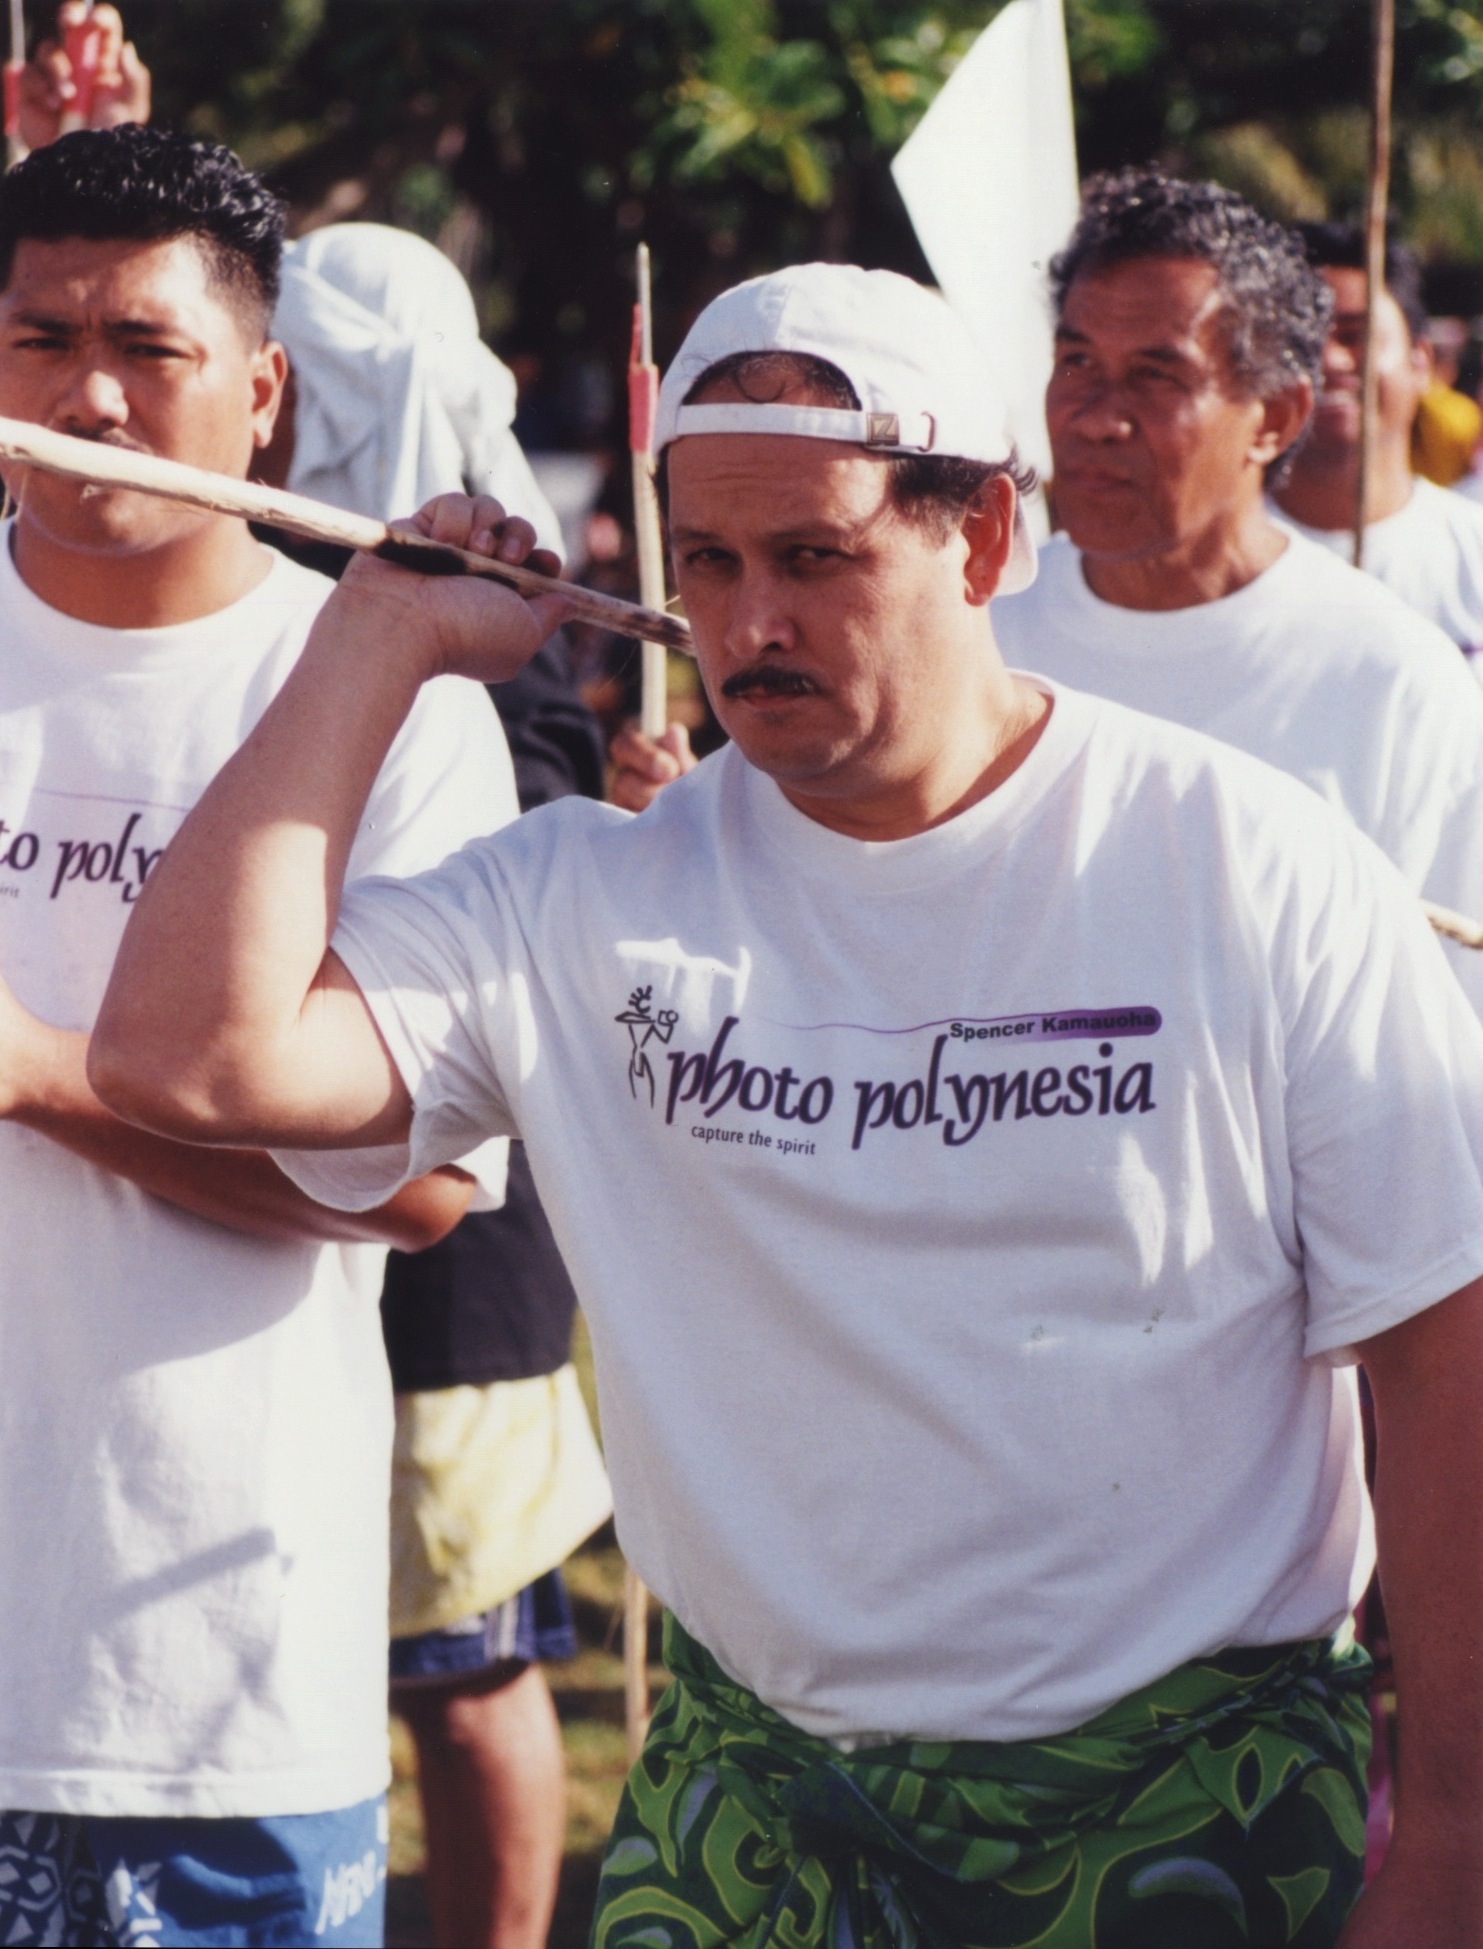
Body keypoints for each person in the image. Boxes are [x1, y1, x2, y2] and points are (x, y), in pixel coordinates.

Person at [92, 260, 1483, 1948]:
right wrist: (374, 636)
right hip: (753, 1812)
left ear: (980, 536)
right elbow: (185, 1053)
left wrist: (1453, 1831)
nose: (745, 627)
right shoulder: (580, 897)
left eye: (813, 559)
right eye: (708, 560)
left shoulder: (1244, 868)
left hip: (1180, 1803)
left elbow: (1439, 1342)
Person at [0, 125, 521, 1948]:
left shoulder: (388, 694)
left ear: (263, 392)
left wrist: (42, 1075)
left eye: (147, 347)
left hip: (200, 1686)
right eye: (41, 341)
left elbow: (422, 1190)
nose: (91, 398)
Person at [263, 221, 612, 1949]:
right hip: (265, 1208)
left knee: (462, 1661)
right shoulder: (253, 582)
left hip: (452, 1237)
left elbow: (522, 873)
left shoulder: (504, 611)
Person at [994, 169, 1483, 1021]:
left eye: (1156, 374)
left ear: (1275, 416)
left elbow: (1449, 1018)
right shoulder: (975, 639)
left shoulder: (1393, 680)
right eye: (1076, 361)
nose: (1095, 417)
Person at [1269, 221, 1483, 658]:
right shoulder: (1207, 563)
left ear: (1420, 362)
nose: (1329, 361)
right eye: (1301, 342)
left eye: (1355, 336)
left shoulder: (1473, 552)